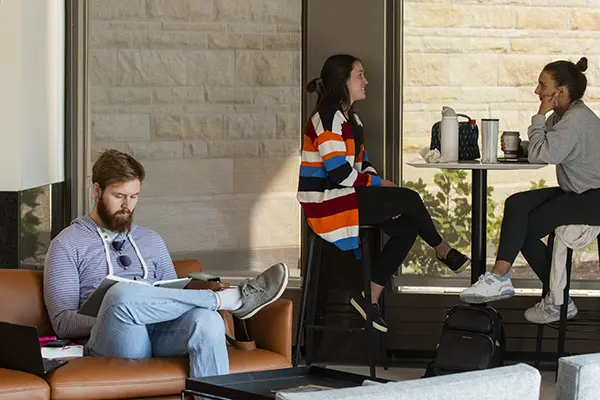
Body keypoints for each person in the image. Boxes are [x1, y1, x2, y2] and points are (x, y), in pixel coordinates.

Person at [43, 149, 289, 378]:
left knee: (208, 320)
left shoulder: (151, 240)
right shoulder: (66, 244)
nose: (127, 206)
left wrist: (148, 300)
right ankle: (229, 301)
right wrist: (118, 306)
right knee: (121, 293)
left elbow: (174, 297)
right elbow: (63, 323)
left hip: (159, 334)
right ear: (97, 191)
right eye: (118, 196)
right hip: (109, 339)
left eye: (134, 196)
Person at [297, 54, 470, 333]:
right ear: (344, 82)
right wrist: (378, 185)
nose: (366, 81)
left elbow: (360, 165)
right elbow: (339, 174)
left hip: (347, 196)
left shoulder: (350, 119)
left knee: (409, 225)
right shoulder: (328, 119)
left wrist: (378, 180)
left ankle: (370, 296)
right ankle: (442, 248)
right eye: (360, 75)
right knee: (410, 198)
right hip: (327, 202)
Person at [460, 57, 600, 324]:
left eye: (542, 85)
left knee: (525, 229)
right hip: (577, 192)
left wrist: (538, 116)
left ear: (560, 91)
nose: (537, 91)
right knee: (517, 204)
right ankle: (506, 280)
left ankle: (554, 298)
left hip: (594, 198)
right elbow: (543, 147)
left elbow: (542, 154)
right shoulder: (565, 116)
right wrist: (521, 146)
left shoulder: (575, 120)